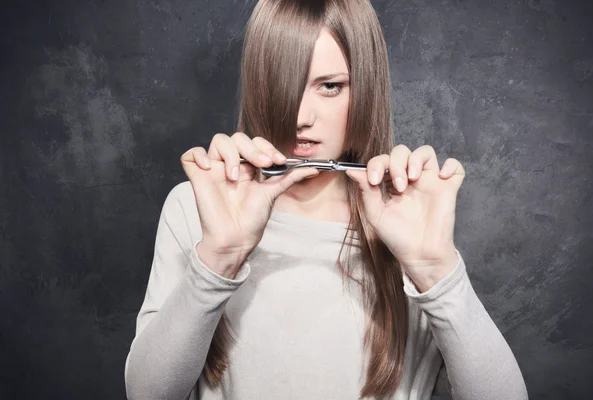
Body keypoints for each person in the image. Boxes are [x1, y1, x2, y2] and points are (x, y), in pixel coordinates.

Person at [124, 0, 528, 399]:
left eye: (330, 86)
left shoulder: (409, 221)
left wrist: (436, 272)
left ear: (365, 87)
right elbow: (147, 394)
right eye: (284, 83)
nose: (301, 115)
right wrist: (218, 258)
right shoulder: (199, 206)